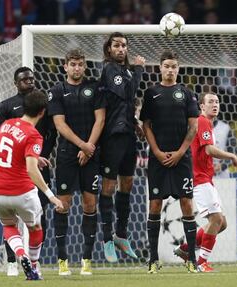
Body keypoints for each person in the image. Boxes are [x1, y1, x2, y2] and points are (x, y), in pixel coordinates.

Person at [0, 90, 63, 281]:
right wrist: (50, 195)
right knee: (35, 228)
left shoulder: (6, 125)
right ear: (42, 112)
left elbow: (9, 153)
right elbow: (30, 170)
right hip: (21, 192)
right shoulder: (34, 135)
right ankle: (34, 267)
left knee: (9, 225)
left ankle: (20, 254)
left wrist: (35, 158)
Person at [140, 50, 199, 274]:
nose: (170, 70)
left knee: (186, 204)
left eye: (174, 66)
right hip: (158, 159)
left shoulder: (187, 94)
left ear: (178, 68)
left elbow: (193, 126)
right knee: (155, 204)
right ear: (160, 68)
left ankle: (192, 259)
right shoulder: (151, 93)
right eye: (167, 66)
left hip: (181, 159)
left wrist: (180, 152)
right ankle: (153, 260)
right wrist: (155, 151)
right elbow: (146, 124)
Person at [48, 49, 104, 276]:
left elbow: (101, 119)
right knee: (63, 204)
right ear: (65, 66)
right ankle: (62, 260)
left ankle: (86, 260)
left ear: (84, 66)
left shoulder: (95, 88)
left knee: (90, 204)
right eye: (73, 64)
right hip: (67, 154)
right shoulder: (57, 91)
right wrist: (83, 145)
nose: (77, 68)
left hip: (91, 153)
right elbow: (59, 124)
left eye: (80, 64)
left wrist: (89, 147)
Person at [174, 92, 237, 272]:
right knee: (216, 219)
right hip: (199, 178)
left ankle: (186, 249)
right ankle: (201, 262)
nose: (215, 104)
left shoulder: (206, 123)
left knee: (221, 223)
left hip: (205, 178)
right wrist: (231, 155)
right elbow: (209, 150)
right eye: (210, 102)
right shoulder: (202, 121)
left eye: (217, 101)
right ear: (202, 106)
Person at [98, 32, 145, 262]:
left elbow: (125, 103)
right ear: (109, 49)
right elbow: (128, 92)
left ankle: (121, 236)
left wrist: (135, 123)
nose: (121, 49)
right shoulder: (109, 70)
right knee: (108, 187)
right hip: (112, 137)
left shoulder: (124, 71)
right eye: (116, 45)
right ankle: (107, 239)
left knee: (127, 184)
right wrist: (138, 69)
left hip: (127, 134)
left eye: (124, 45)